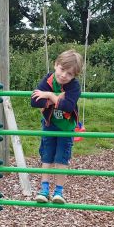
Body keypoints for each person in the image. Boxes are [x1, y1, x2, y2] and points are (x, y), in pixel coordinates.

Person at [31, 49, 83, 204]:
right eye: (62, 70)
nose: (64, 75)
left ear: (74, 76)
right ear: (55, 65)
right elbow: (34, 101)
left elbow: (68, 106)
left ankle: (58, 192)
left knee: (62, 158)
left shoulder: (74, 86)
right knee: (46, 156)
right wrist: (56, 99)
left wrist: (49, 95)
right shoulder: (48, 79)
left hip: (66, 128)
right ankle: (44, 190)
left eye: (69, 74)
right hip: (49, 124)